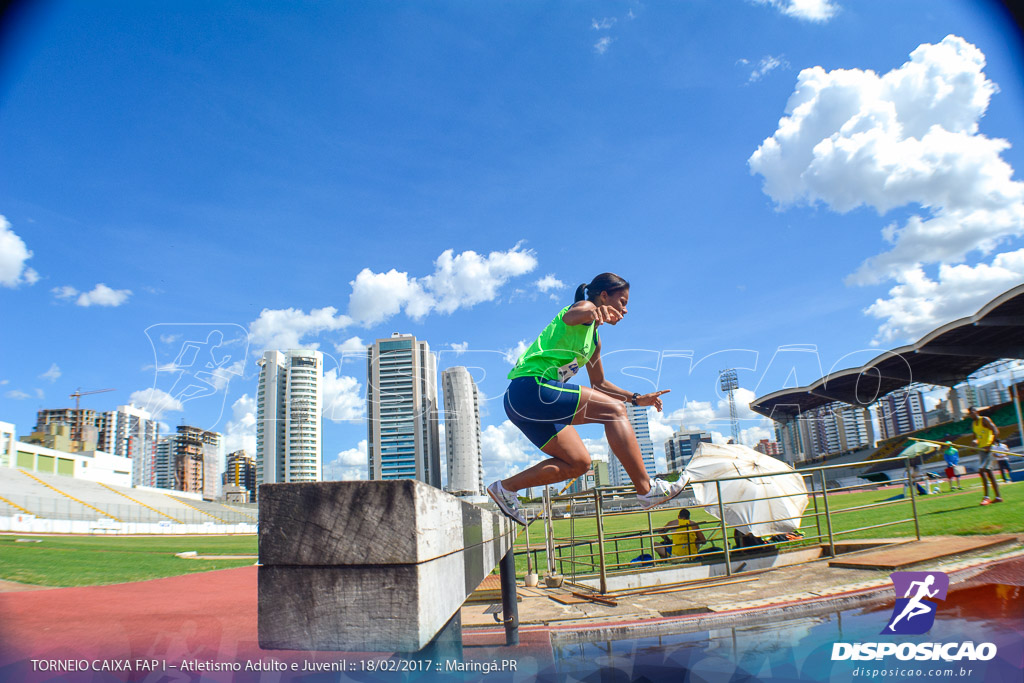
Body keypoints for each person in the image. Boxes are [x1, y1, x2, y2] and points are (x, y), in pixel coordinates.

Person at [487, 273, 684, 525]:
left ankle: (505, 489)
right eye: (622, 302)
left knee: (579, 462)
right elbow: (572, 316)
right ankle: (646, 490)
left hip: (529, 407)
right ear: (604, 296)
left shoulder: (595, 342)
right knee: (614, 412)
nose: (626, 309)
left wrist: (636, 398)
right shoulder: (586, 308)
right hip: (530, 388)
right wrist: (593, 313)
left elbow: (600, 384)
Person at [968, 407, 1002, 505]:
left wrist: (990, 444)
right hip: (982, 449)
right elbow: (975, 438)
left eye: (972, 413)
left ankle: (986, 497)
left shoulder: (985, 419)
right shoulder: (974, 424)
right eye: (969, 414)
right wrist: (973, 444)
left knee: (982, 470)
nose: (971, 415)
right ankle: (998, 497)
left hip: (989, 449)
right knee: (988, 472)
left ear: (976, 412)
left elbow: (996, 431)